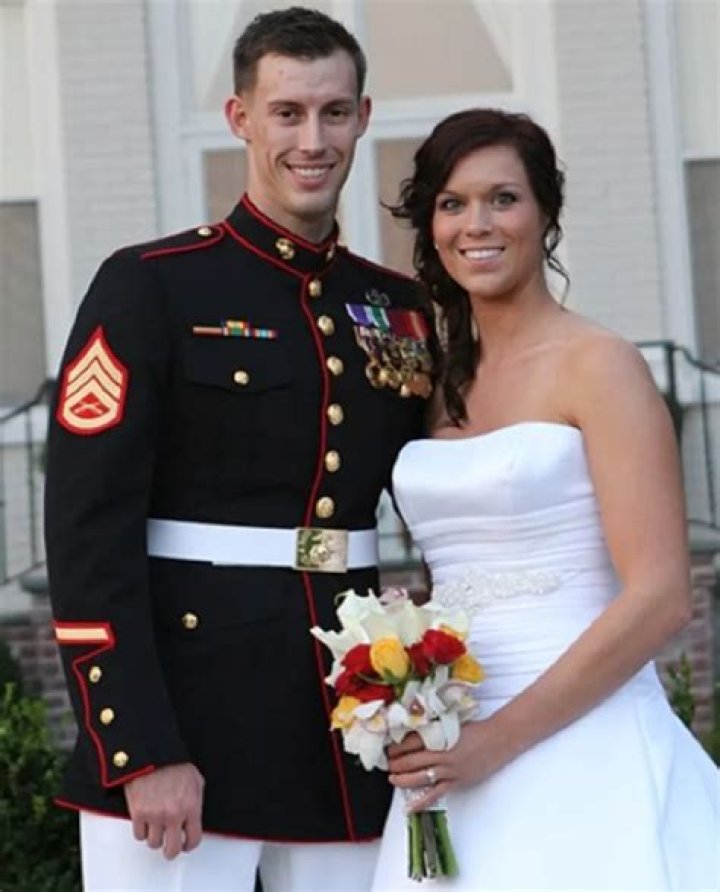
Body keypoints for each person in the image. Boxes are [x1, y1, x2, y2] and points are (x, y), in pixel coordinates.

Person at [44, 7, 434, 891]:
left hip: (349, 732)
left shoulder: (399, 309)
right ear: (240, 118)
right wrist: (139, 746)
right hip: (187, 727)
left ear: (364, 118)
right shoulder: (151, 286)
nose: (313, 140)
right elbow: (87, 532)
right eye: (287, 113)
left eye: (334, 112)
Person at [372, 108, 719, 890]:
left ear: (546, 213)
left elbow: (662, 597)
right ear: (431, 227)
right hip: (451, 745)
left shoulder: (600, 364)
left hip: (584, 737)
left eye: (504, 198)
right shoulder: (436, 384)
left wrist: (493, 743)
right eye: (453, 204)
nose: (477, 224)